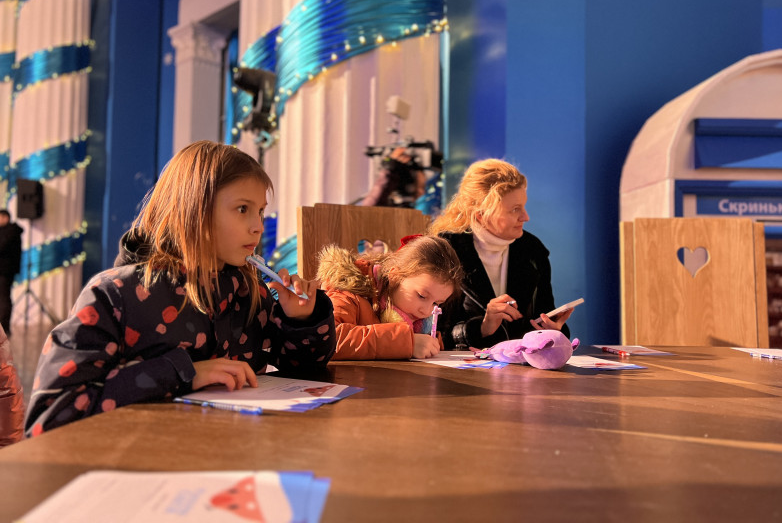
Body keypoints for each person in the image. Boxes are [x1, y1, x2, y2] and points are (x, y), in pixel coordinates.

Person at [24, 141, 336, 436]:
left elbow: (303, 371)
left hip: (229, 451)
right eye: (243, 209)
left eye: (261, 211)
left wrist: (300, 320)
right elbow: (52, 415)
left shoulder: (249, 290)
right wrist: (184, 373)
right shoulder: (116, 295)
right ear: (194, 211)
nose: (258, 226)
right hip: (143, 461)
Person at [429, 159, 572, 350]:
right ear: (481, 214)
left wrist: (553, 331)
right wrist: (482, 328)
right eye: (515, 209)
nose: (526, 217)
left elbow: (542, 314)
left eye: (524, 206)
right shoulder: (444, 250)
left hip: (521, 365)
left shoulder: (533, 250)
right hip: (463, 366)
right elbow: (432, 332)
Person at [316, 234, 463, 360]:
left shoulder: (422, 324)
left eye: (436, 303)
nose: (426, 311)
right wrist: (405, 343)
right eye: (422, 296)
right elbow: (326, 338)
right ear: (394, 277)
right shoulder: (349, 292)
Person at [0, 209, 23, 338]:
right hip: (5, 270)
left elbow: (2, 246)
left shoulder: (11, 231)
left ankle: (4, 327)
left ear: (5, 218)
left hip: (5, 271)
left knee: (3, 298)